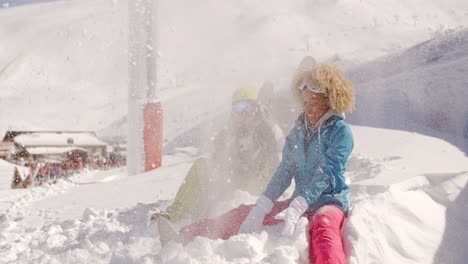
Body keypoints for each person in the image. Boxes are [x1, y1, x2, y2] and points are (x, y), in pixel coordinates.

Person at [157, 63, 355, 264]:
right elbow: (285, 169)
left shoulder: (340, 132)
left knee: (324, 232)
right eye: (305, 102)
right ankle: (185, 236)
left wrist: (300, 203)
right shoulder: (299, 131)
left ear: (330, 99)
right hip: (297, 203)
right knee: (243, 213)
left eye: (314, 101)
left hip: (328, 202)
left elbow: (328, 173)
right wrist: (263, 204)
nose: (309, 108)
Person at [153, 85, 284, 223]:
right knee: (201, 165)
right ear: (233, 111)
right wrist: (222, 173)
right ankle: (176, 213)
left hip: (256, 184)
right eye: (240, 107)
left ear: (256, 108)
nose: (244, 112)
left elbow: (272, 160)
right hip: (234, 180)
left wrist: (260, 172)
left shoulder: (263, 131)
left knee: (256, 181)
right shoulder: (226, 134)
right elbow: (217, 160)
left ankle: (235, 214)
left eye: (249, 107)